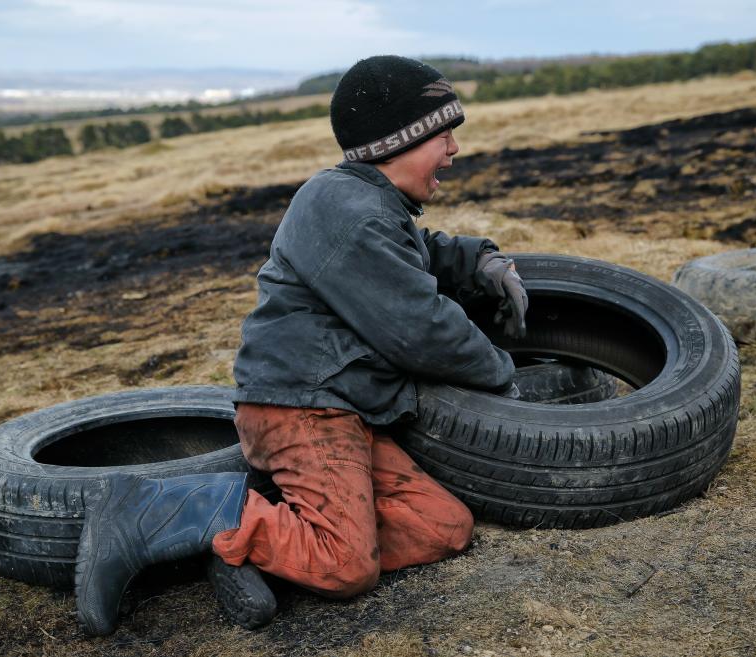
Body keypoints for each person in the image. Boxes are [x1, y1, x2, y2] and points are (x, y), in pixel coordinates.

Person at [74, 55, 528, 636]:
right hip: (302, 405)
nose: (454, 149)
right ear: (400, 142)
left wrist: (481, 260)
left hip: (347, 404)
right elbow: (421, 328)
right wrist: (503, 376)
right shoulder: (350, 214)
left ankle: (249, 547)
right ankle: (151, 511)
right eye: (443, 135)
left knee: (441, 526)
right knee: (346, 567)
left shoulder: (367, 203)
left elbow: (417, 250)